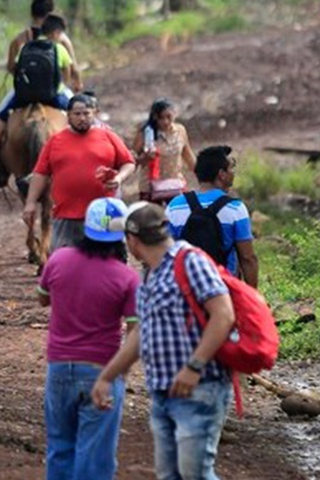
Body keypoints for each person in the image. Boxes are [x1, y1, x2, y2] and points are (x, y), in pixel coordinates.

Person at [91, 202, 235, 480]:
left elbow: (224, 314)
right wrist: (106, 377)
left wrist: (194, 366)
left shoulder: (190, 261)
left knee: (196, 474)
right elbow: (141, 334)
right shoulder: (150, 277)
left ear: (132, 241)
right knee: (170, 475)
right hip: (162, 392)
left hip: (200, 388)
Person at [38, 197, 139, 480]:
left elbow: (42, 298)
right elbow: (135, 333)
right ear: (124, 236)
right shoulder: (127, 278)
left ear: (86, 228)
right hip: (102, 371)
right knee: (95, 457)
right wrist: (122, 374)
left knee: (59, 448)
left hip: (58, 369)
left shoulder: (59, 258)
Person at [23, 94, 136, 252]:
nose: (82, 118)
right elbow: (40, 173)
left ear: (93, 114)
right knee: (65, 264)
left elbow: (128, 163)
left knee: (108, 258)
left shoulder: (108, 136)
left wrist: (119, 177)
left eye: (86, 113)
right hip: (66, 215)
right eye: (77, 114)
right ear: (68, 115)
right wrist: (30, 203)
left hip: (104, 213)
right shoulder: (55, 141)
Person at [0, 10, 78, 169]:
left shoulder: (25, 47)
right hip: (53, 95)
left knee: (1, 117)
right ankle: (83, 152)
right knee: (79, 113)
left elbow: (14, 67)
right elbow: (68, 72)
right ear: (56, 33)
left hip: (25, 95)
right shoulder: (59, 48)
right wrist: (64, 85)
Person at [165, 145, 259, 288]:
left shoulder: (174, 206)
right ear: (222, 174)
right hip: (224, 288)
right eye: (231, 168)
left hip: (185, 288)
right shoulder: (235, 208)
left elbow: (165, 252)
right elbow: (247, 258)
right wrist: (252, 298)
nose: (233, 172)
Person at [131, 98, 196, 203]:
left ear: (175, 114)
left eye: (169, 117)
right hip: (150, 188)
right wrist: (144, 158)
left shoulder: (180, 131)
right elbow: (131, 162)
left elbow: (188, 156)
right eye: (161, 118)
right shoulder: (146, 134)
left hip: (175, 184)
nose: (165, 121)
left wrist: (203, 176)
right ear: (155, 117)